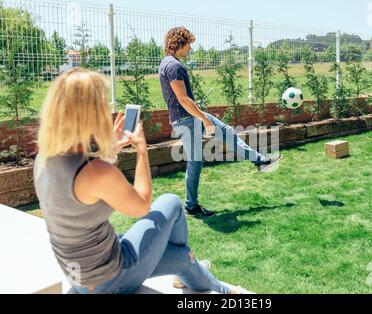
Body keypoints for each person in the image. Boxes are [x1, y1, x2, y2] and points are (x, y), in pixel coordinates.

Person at [33, 68, 248, 294]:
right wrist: (142, 150)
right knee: (172, 202)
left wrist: (112, 147)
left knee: (182, 258)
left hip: (80, 278)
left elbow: (81, 187)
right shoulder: (96, 172)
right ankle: (223, 290)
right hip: (112, 277)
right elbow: (141, 205)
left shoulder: (44, 159)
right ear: (91, 114)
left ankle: (221, 289)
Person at [159, 27, 281, 217]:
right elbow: (182, 99)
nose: (191, 48)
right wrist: (204, 118)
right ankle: (191, 205)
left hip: (185, 118)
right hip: (187, 119)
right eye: (189, 44)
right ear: (179, 43)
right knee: (201, 156)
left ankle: (260, 161)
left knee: (216, 141)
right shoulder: (174, 66)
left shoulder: (167, 63)